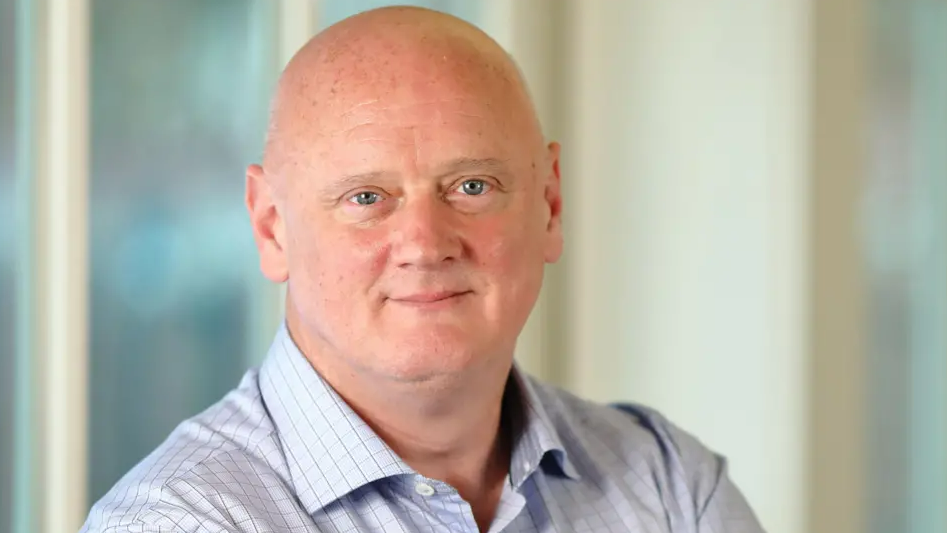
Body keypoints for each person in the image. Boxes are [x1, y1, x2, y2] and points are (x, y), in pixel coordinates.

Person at [80, 6, 764, 533]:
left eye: (471, 186)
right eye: (366, 198)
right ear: (271, 228)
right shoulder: (181, 520)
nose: (424, 242)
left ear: (549, 204)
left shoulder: (670, 487)